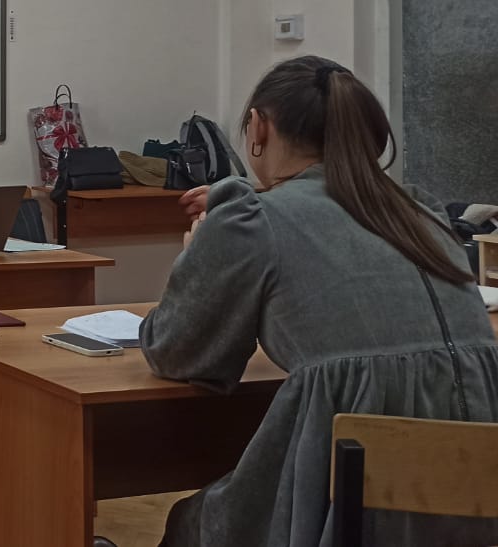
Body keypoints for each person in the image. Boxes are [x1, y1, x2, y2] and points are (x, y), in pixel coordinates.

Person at [141, 56, 498, 547]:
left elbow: (177, 352)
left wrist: (195, 257)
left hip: (354, 494)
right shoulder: (420, 212)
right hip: (477, 493)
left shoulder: (250, 221)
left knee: (191, 522)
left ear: (258, 126)